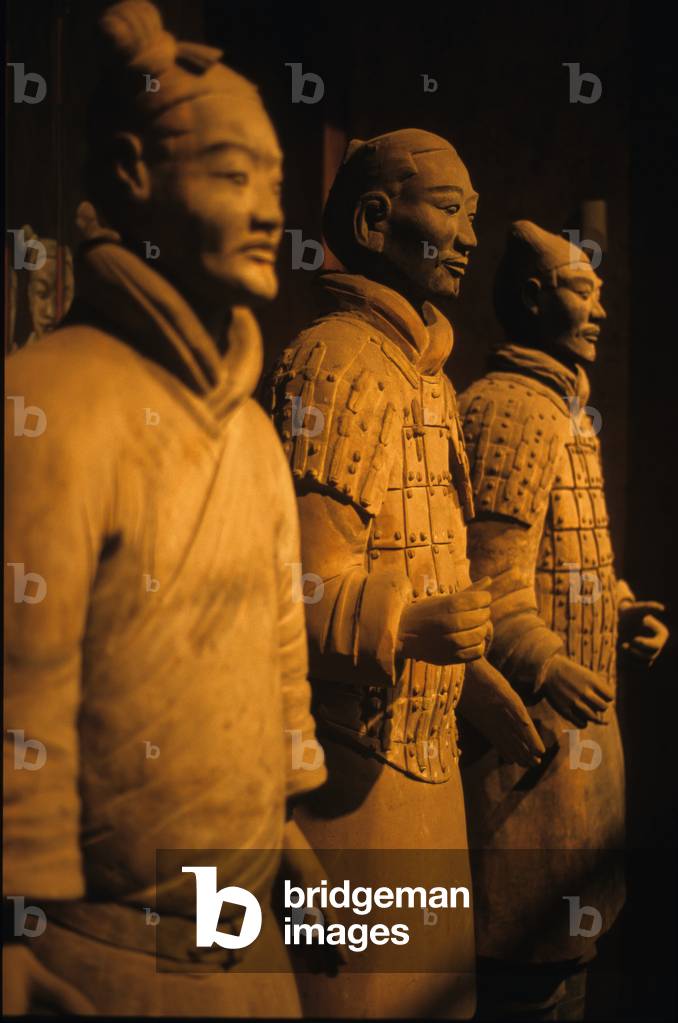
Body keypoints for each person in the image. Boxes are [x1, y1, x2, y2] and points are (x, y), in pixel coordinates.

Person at [3, 1, 325, 1015]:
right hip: (99, 970)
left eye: (276, 180)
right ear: (131, 176)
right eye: (235, 175)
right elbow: (21, 690)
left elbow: (276, 648)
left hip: (246, 941)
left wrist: (281, 822)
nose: (273, 210)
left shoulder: (254, 431)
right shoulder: (51, 403)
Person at [267, 130, 544, 1019]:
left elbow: (422, 556)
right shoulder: (336, 360)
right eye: (452, 211)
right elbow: (292, 600)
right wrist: (417, 629)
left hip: (424, 771)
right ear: (377, 219)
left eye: (474, 215)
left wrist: (466, 676)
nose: (469, 235)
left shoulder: (424, 376)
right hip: (350, 783)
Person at [458, 220, 669, 1021]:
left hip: (577, 741)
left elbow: (569, 561)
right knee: (527, 980)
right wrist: (545, 660)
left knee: (566, 968)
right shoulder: (508, 410)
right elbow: (488, 581)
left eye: (602, 291)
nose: (602, 310)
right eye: (584, 290)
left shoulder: (565, 409)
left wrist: (618, 610)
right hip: (524, 748)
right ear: (530, 295)